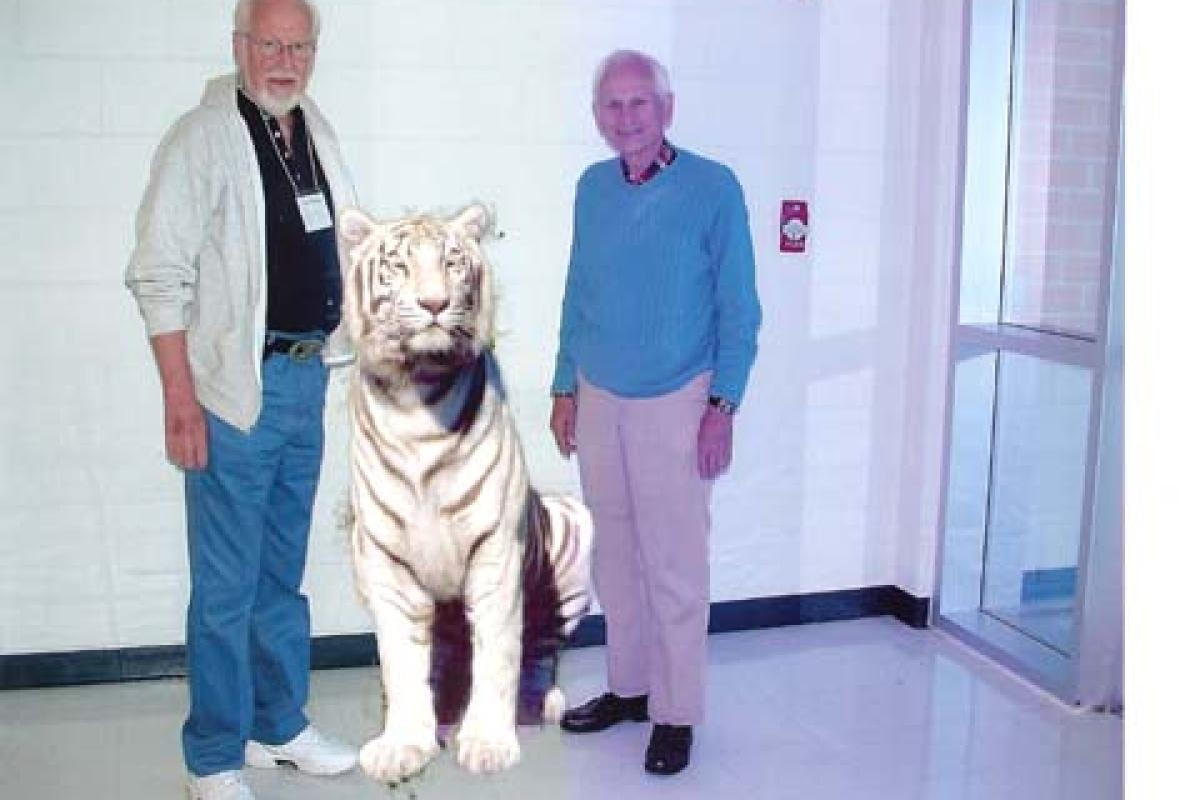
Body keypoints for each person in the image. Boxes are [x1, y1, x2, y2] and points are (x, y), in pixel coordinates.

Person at [125, 1, 358, 797]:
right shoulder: (202, 138)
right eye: (270, 44)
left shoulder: (314, 131)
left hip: (306, 379)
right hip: (235, 395)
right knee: (226, 588)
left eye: (300, 46)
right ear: (240, 46)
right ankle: (213, 756)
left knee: (279, 576)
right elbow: (158, 275)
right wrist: (180, 401)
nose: (285, 61)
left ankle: (276, 723)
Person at [549, 49, 762, 776]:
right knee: (614, 558)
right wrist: (564, 386)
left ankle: (675, 713)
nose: (626, 117)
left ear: (667, 109)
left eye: (640, 102)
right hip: (599, 393)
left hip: (678, 398)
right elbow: (577, 290)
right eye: (612, 105)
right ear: (597, 116)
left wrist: (722, 405)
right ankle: (631, 688)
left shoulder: (713, 188)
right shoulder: (592, 188)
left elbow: (740, 310)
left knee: (674, 567)